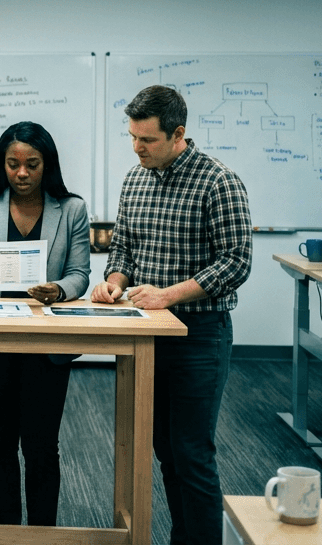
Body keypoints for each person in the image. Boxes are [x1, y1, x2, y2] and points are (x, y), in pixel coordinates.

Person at [90, 85, 252, 545]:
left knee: (192, 452)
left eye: (147, 140)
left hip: (200, 334)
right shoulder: (134, 179)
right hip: (146, 333)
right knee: (164, 449)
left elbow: (236, 261)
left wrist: (169, 295)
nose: (137, 148)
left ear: (178, 134)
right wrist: (115, 282)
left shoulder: (218, 181)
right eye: (133, 138)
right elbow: (123, 249)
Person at [0, 121, 89, 527]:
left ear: (48, 164)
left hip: (46, 341)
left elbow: (80, 273)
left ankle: (42, 534)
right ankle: (8, 532)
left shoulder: (73, 208)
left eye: (32, 164)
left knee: (43, 446)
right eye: (12, 164)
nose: (22, 173)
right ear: (1, 164)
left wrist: (59, 290)